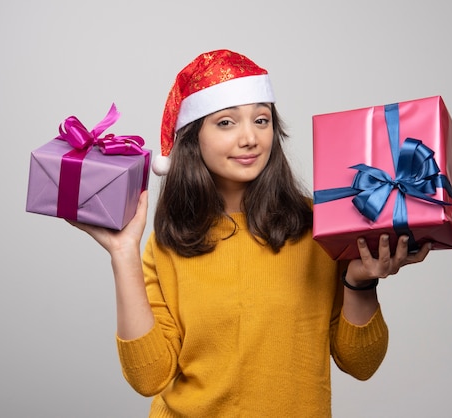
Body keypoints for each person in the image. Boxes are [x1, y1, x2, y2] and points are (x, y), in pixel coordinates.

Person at [69, 49, 431, 417]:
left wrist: (360, 282)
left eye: (261, 119)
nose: (251, 138)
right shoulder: (169, 241)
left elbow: (361, 364)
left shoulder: (318, 224)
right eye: (226, 123)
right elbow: (149, 378)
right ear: (194, 138)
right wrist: (123, 253)